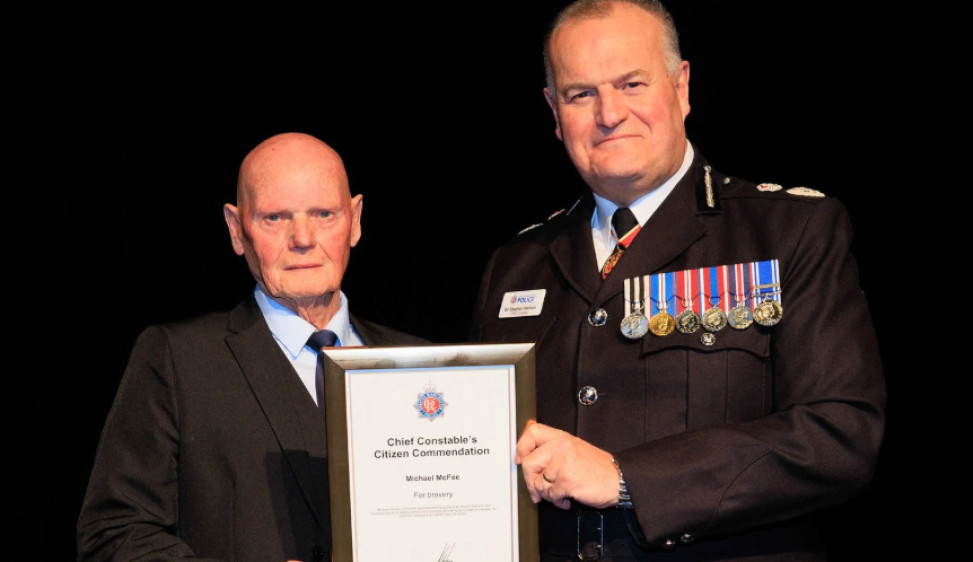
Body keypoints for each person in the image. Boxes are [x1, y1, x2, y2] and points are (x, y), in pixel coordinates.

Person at [469, 1, 886, 560]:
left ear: (681, 86)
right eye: (581, 94)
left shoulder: (787, 232)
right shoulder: (516, 264)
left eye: (631, 84)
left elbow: (839, 435)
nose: (609, 113)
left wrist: (626, 479)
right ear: (554, 110)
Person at [77, 132, 427, 562]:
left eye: (323, 214)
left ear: (354, 220)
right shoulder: (179, 361)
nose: (303, 238)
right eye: (275, 218)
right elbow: (113, 536)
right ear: (236, 229)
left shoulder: (424, 366)